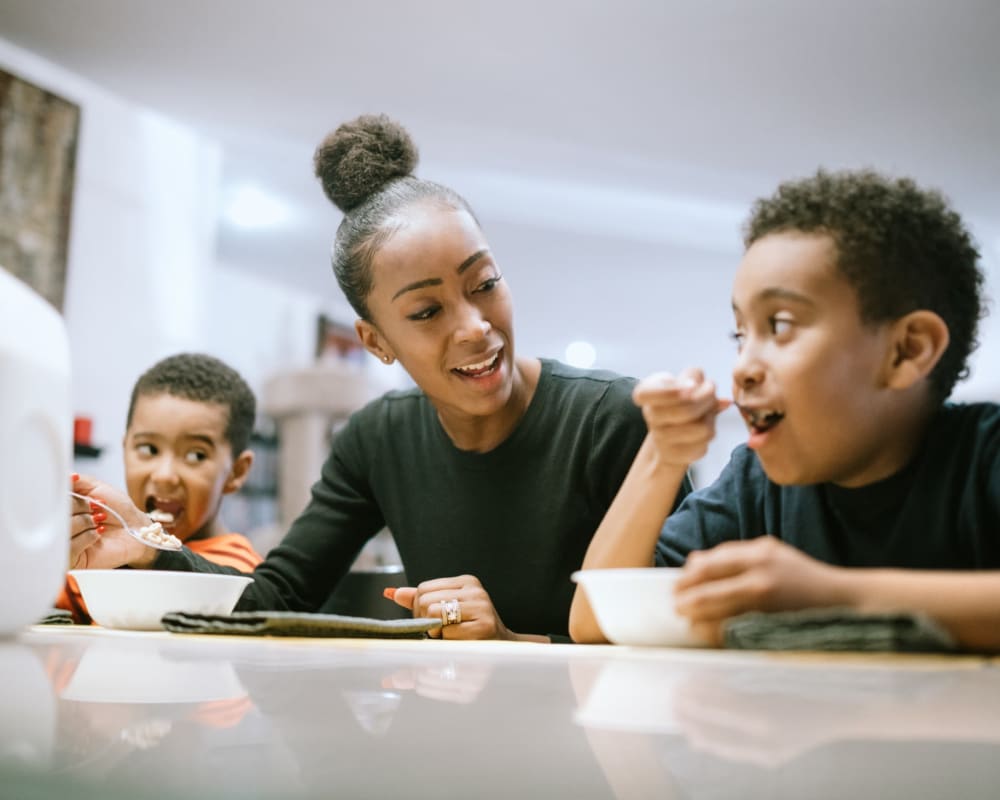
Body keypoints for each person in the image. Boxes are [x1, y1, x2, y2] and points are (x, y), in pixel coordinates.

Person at [70, 113, 691, 642]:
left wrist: (510, 640)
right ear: (376, 341)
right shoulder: (376, 442)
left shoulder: (615, 420)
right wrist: (150, 546)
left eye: (485, 284)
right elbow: (278, 598)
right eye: (426, 312)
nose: (474, 326)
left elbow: (679, 630)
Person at [569, 168, 1000, 651]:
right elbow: (594, 623)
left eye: (779, 325)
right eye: (740, 334)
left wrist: (833, 599)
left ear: (907, 351)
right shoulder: (755, 484)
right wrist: (663, 455)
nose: (743, 367)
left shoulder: (985, 454)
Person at [63, 353, 264, 622]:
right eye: (148, 449)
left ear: (236, 472)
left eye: (196, 455)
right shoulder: (92, 552)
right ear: (125, 451)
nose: (165, 476)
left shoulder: (238, 573)